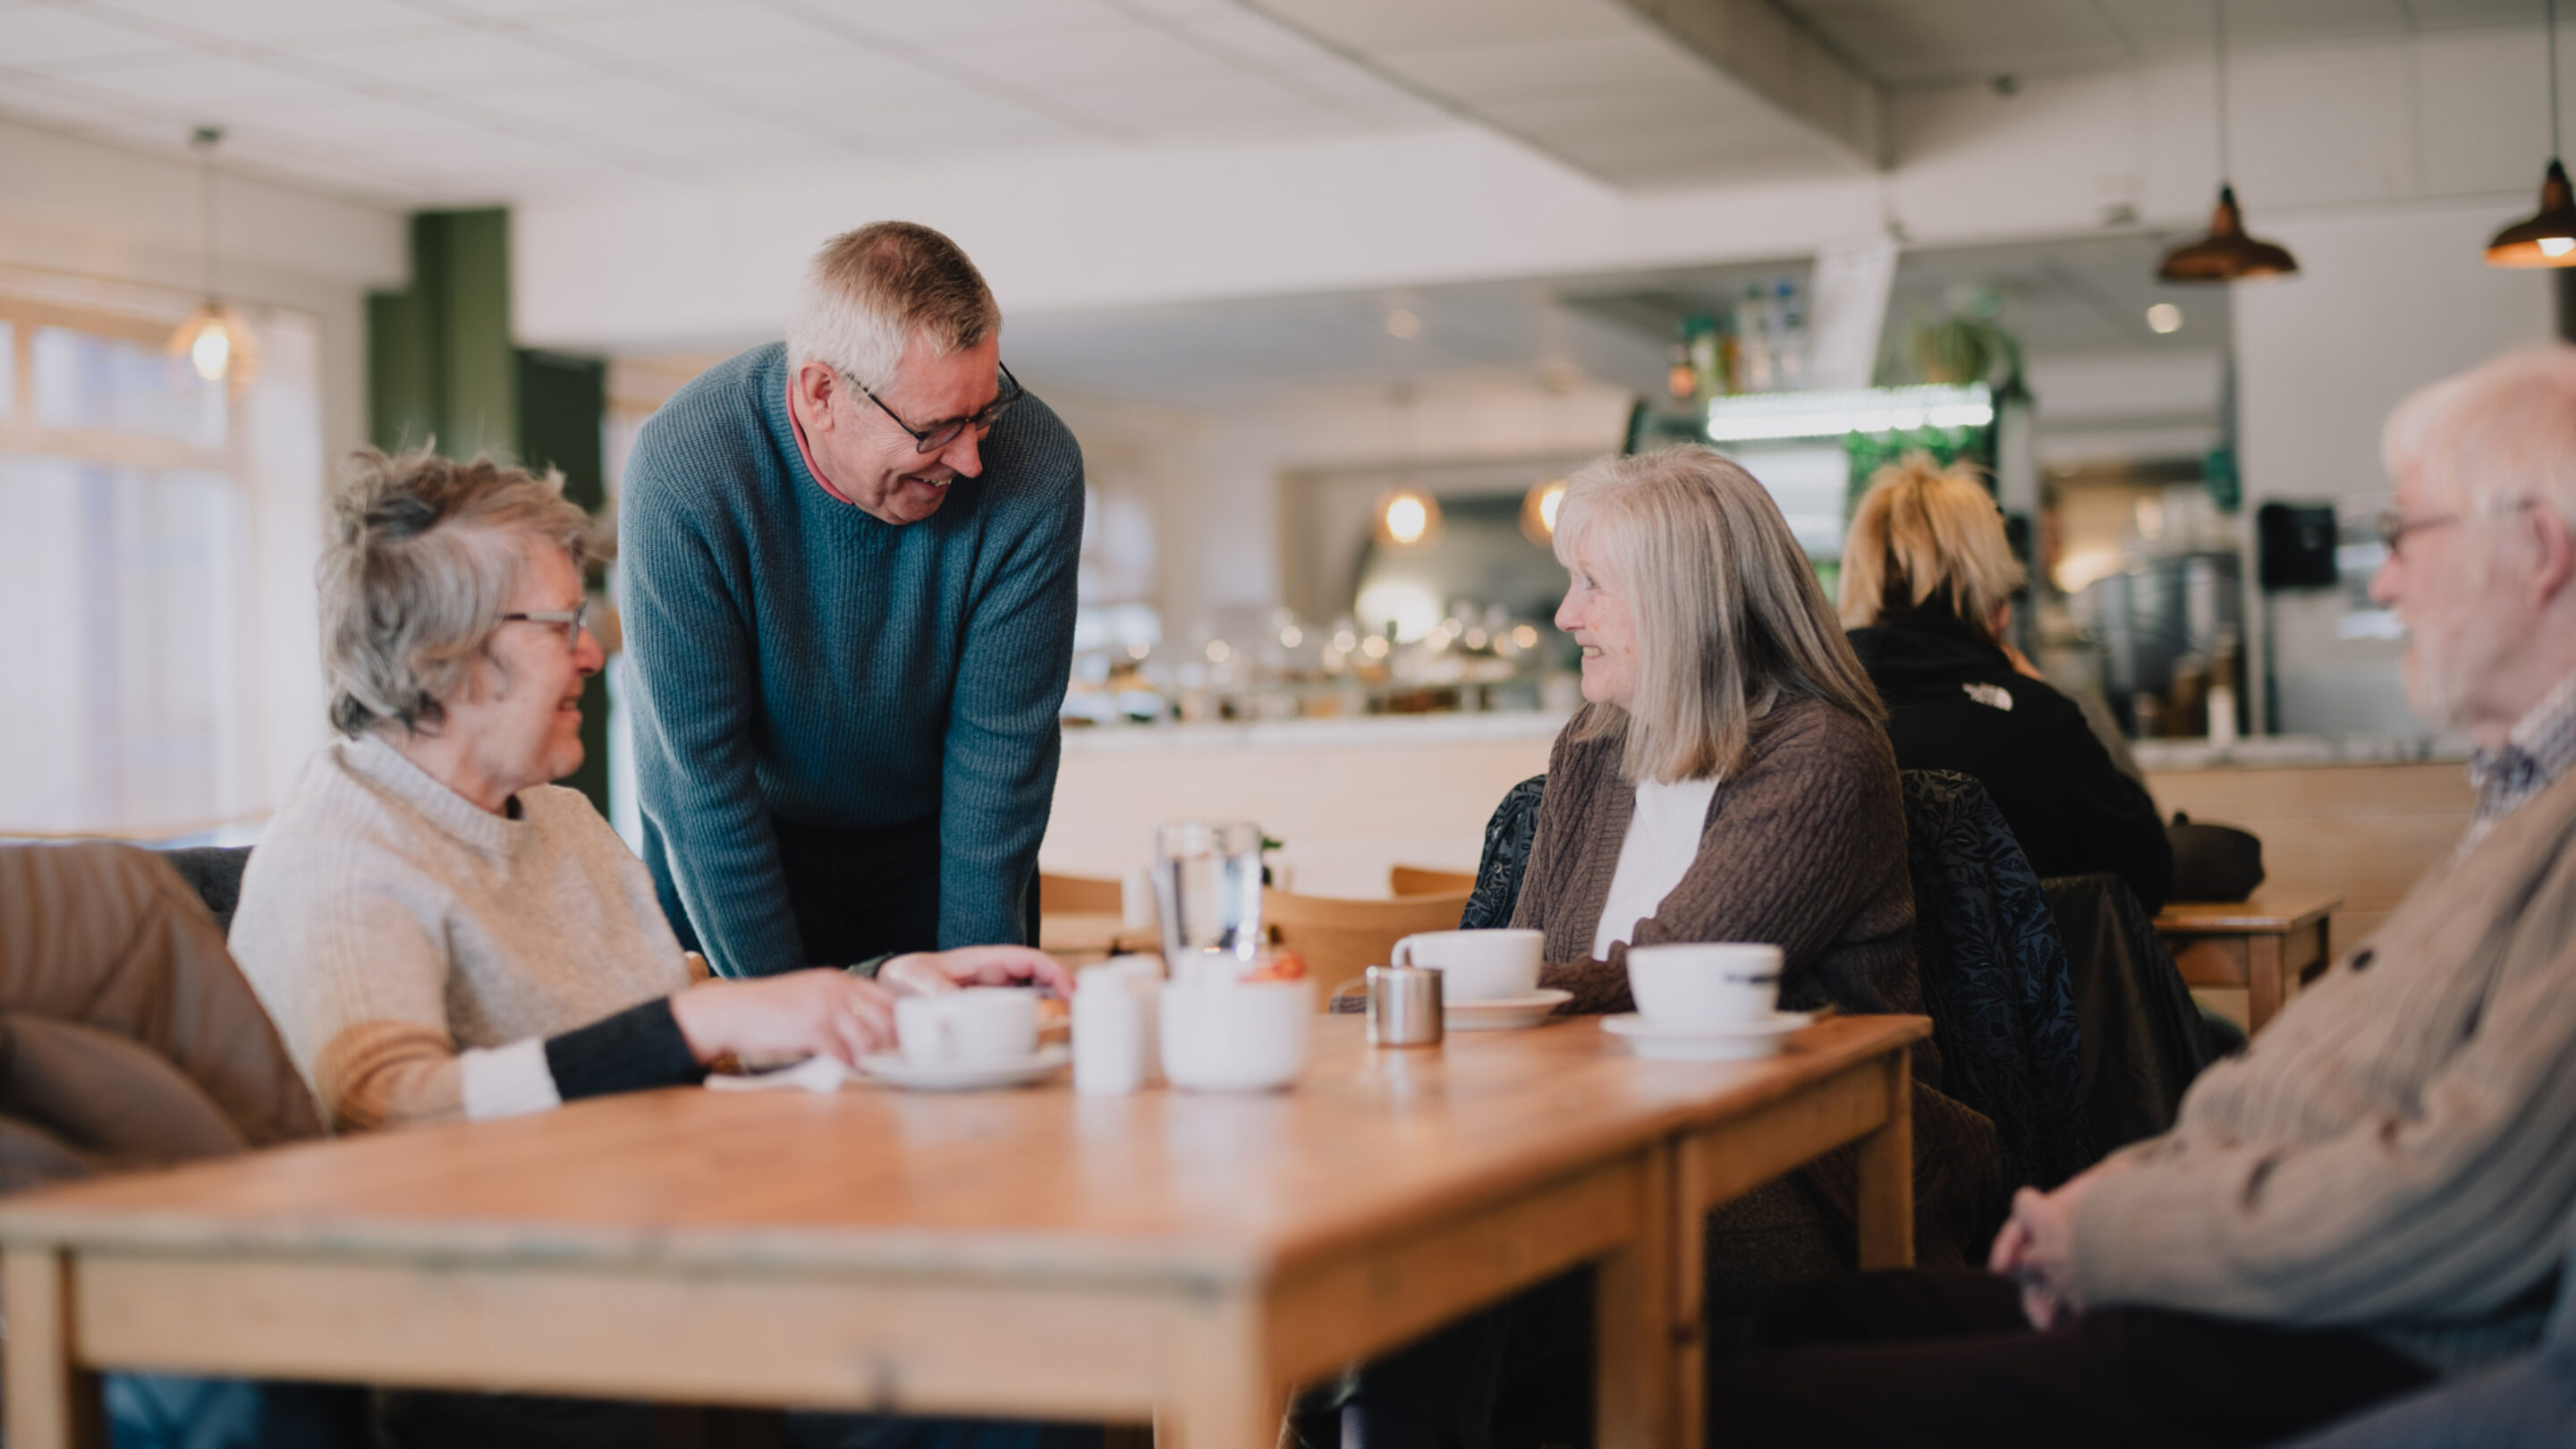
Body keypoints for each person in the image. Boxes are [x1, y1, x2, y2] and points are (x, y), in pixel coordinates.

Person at [1710, 344, 2576, 1446]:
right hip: (2099, 1138)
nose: (2384, 578)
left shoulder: (1807, 730)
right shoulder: (2045, 721)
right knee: (1804, 1324)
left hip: (2306, 1311)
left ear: (2540, 548)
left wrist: (2115, 1229)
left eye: (2407, 533)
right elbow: (2152, 867)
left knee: (1751, 1393)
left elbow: (2468, 1190)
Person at [232, 448, 1071, 1134]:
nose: (593, 656)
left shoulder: (556, 818)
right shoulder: (344, 857)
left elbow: (667, 1015)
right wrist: (696, 1027)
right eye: (563, 626)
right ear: (440, 654)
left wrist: (880, 984)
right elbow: (385, 1105)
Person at [620, 220, 1084, 979]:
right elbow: (699, 776)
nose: (971, 459)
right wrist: (786, 1016)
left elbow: (1002, 749)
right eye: (936, 430)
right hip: (741, 838)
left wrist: (976, 1000)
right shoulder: (685, 473)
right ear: (822, 393)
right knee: (760, 1083)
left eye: (985, 410)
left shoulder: (1034, 465)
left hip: (938, 841)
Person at [1840, 453, 2173, 913]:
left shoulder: (1819, 710)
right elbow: (2149, 876)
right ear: (1996, 596)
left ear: (1860, 573)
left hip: (1862, 987)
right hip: (2031, 986)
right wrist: (2050, 697)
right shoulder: (2040, 718)